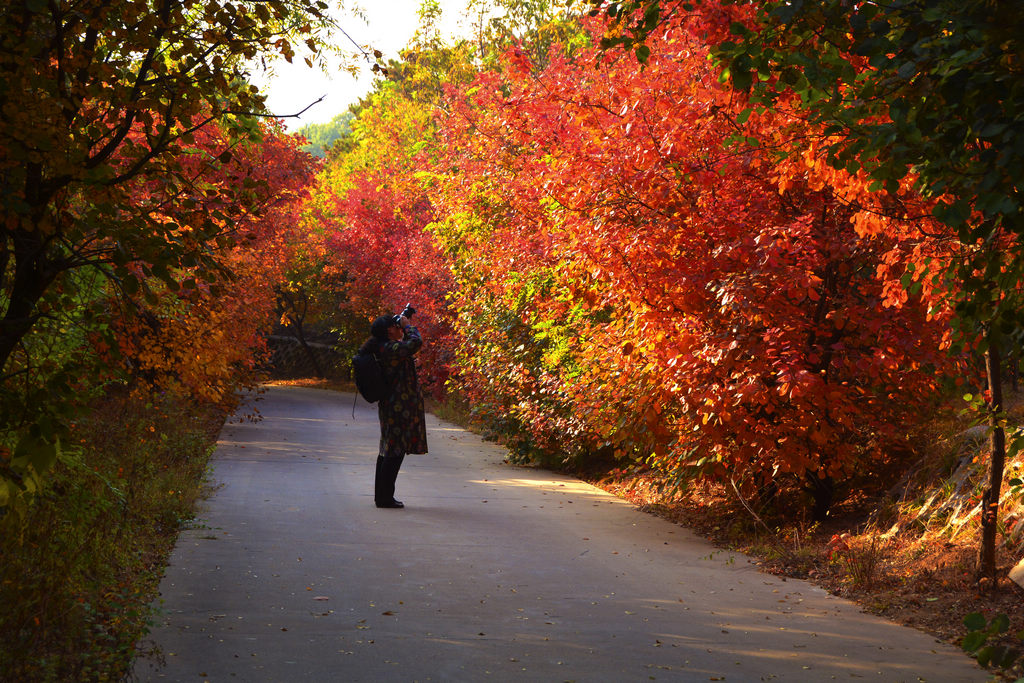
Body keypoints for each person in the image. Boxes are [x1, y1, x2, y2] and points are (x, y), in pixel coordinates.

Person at [358, 312, 428, 508]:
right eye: (396, 326)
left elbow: (407, 348)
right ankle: (384, 498)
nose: (399, 328)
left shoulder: (386, 347)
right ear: (389, 330)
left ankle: (382, 496)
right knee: (394, 451)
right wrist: (408, 326)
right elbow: (415, 343)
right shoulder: (390, 348)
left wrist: (404, 326)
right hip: (398, 406)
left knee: (388, 450)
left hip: (393, 405)